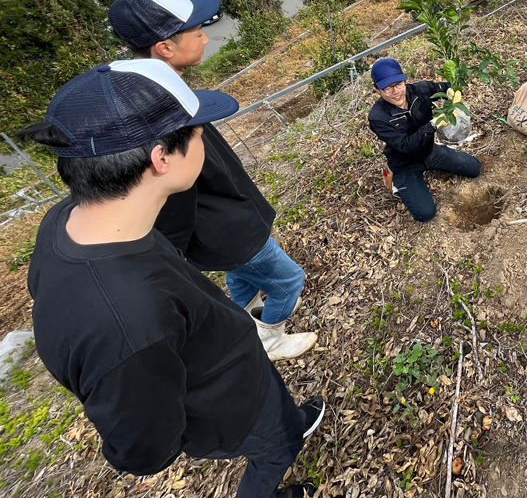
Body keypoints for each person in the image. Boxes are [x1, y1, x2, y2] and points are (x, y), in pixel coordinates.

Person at [20, 60, 324, 498]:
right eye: (198, 131)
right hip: (229, 408)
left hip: (238, 374)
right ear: (160, 157)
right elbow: (143, 449)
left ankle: (290, 420)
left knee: (283, 425)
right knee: (279, 449)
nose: (205, 138)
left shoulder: (67, 220)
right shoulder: (125, 318)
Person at [108, 0, 315, 361]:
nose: (206, 39)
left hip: (222, 229)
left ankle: (243, 324)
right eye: (198, 32)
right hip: (226, 230)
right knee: (288, 280)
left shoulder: (152, 91)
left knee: (240, 280)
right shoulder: (159, 114)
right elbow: (170, 197)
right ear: (165, 47)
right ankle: (270, 340)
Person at [368, 57, 482, 222]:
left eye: (399, 84)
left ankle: (432, 162)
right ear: (377, 88)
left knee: (475, 169)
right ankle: (397, 181)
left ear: (404, 80)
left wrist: (453, 91)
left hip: (430, 151)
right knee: (425, 213)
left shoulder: (420, 90)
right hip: (405, 163)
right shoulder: (378, 117)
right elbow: (406, 146)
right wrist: (433, 124)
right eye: (387, 88)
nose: (396, 91)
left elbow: (446, 87)